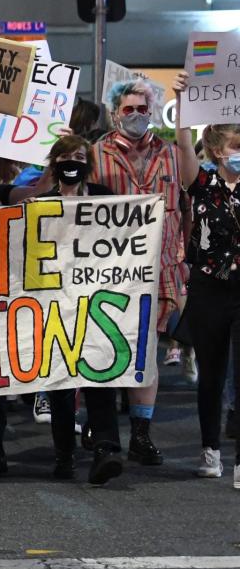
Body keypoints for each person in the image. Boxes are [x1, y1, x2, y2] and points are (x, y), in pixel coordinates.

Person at [91, 79, 183, 466]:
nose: (136, 116)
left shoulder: (171, 153)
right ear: (115, 113)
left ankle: (141, 435)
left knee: (147, 350)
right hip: (110, 266)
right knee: (109, 346)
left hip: (160, 262)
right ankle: (104, 431)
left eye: (143, 109)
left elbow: (188, 198)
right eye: (128, 109)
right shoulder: (96, 153)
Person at [34, 134, 125, 485]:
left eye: (79, 156)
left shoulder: (105, 199)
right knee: (59, 380)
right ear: (54, 162)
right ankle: (64, 452)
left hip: (97, 301)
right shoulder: (42, 202)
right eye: (65, 156)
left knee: (100, 372)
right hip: (56, 305)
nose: (72, 162)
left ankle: (106, 447)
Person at [172, 72, 240, 489]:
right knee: (212, 373)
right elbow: (182, 145)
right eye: (236, 147)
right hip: (209, 287)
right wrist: (183, 105)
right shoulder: (204, 183)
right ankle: (210, 449)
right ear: (217, 149)